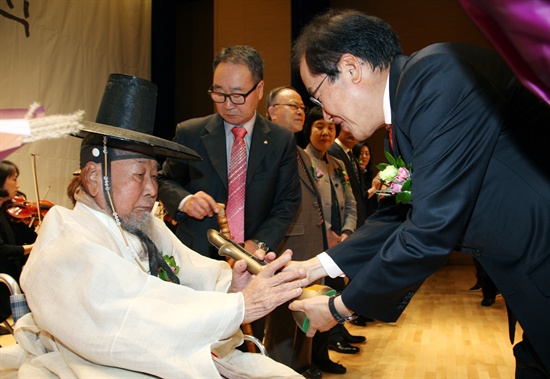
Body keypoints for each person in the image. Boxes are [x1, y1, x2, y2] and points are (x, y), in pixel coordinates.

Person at [288, 9, 550, 378]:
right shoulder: (413, 99)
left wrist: (338, 308)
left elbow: (430, 227)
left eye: (317, 97)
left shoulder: (437, 75)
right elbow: (398, 214)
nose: (326, 115)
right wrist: (312, 267)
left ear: (350, 69)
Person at [0, 74, 307, 378]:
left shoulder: (144, 224)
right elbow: (129, 317)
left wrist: (232, 285)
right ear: (95, 177)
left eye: (154, 175)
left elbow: (193, 271)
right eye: (138, 175)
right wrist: (237, 308)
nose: (152, 189)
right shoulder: (64, 238)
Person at [158, 45, 300, 261]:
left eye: (237, 95)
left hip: (253, 257)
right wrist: (185, 201)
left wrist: (258, 243)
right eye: (219, 94)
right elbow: (165, 180)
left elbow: (287, 202)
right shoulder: (191, 133)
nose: (227, 105)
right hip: (196, 256)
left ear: (259, 89)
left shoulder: (281, 141)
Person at [0, 160, 36, 333]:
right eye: (13, 179)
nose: (18, 184)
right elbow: (2, 250)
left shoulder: (5, 212)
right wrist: (33, 247)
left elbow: (27, 236)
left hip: (12, 278)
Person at [328, 128, 367, 228]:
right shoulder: (332, 151)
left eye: (354, 127)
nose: (352, 132)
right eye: (347, 127)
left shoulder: (351, 154)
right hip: (341, 222)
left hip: (355, 218)